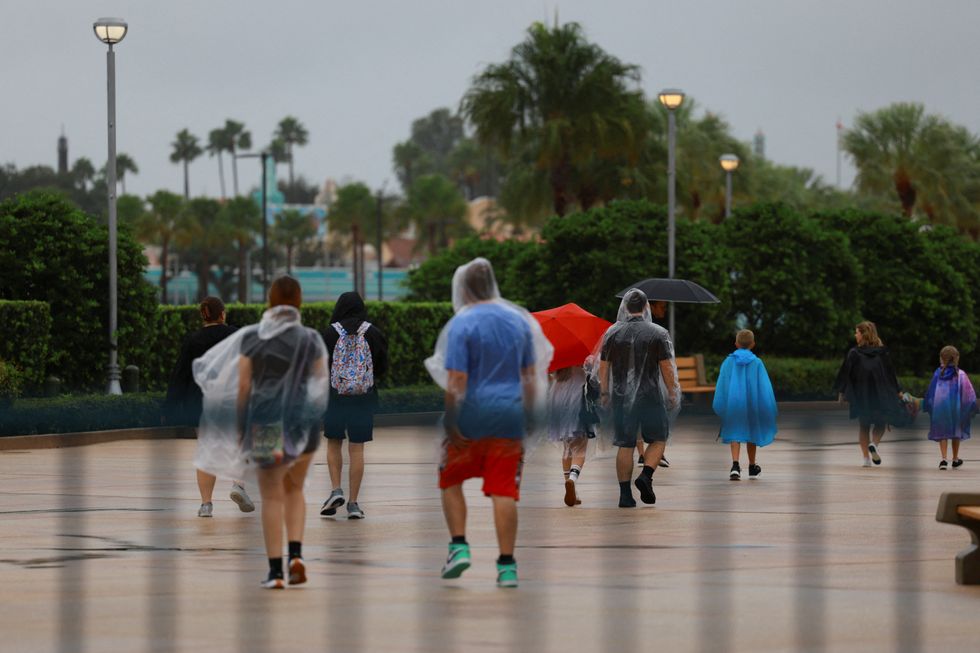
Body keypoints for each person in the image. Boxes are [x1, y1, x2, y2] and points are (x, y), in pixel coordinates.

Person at [193, 276, 329, 589]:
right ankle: (296, 554)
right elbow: (320, 386)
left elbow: (242, 387)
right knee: (295, 490)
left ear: (269, 300)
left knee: (271, 496)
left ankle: (276, 572)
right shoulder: (310, 339)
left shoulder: (252, 339)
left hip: (266, 423)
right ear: (299, 301)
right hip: (301, 426)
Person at [424, 258, 552, 588]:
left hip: (471, 415)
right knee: (503, 490)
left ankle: (459, 546)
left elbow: (456, 380)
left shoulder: (462, 324)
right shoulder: (518, 321)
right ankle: (507, 566)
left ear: (464, 288)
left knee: (449, 479)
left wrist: (452, 420)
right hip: (508, 417)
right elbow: (529, 377)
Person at [163, 296, 254, 517]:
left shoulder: (193, 341)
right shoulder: (235, 335)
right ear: (222, 314)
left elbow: (180, 376)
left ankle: (206, 505)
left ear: (203, 316)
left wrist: (169, 407)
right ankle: (238, 484)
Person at [596, 289, 679, 508]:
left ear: (624, 307)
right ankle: (646, 476)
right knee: (659, 438)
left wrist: (604, 392)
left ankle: (625, 495)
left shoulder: (612, 333)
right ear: (645, 307)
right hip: (650, 395)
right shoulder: (658, 333)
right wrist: (672, 392)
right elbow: (666, 368)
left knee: (626, 444)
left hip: (621, 397)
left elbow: (603, 367)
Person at [319, 292, 388, 520]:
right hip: (363, 398)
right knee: (357, 449)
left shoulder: (329, 333)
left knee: (333, 443)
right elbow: (382, 366)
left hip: (334, 397)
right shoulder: (373, 332)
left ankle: (336, 489)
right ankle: (353, 504)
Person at [833, 321, 904, 467]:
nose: (855, 335)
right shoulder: (882, 353)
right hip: (881, 394)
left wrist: (841, 391)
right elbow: (891, 373)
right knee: (881, 423)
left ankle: (866, 459)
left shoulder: (854, 353)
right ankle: (874, 444)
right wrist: (898, 391)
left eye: (857, 332)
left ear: (863, 335)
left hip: (861, 395)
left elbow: (846, 372)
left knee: (864, 426)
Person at [712, 329, 778, 480]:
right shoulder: (757, 363)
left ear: (736, 344)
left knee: (735, 431)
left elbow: (722, 384)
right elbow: (764, 387)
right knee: (752, 432)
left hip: (734, 404)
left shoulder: (728, 362)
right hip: (752, 404)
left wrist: (723, 404)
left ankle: (735, 465)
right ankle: (752, 466)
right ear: (753, 344)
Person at [547, 365, 598, 507]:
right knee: (580, 447)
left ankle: (570, 487)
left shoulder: (559, 355)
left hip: (557, 395)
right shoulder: (582, 355)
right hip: (577, 395)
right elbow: (594, 373)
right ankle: (572, 480)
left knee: (567, 446)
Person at [923, 346, 976, 470]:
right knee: (956, 433)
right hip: (956, 410)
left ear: (941, 358)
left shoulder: (938, 373)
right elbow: (969, 395)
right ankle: (955, 459)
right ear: (956, 358)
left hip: (941, 410)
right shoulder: (961, 374)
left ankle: (943, 459)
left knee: (943, 433)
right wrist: (969, 408)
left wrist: (928, 405)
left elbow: (931, 392)